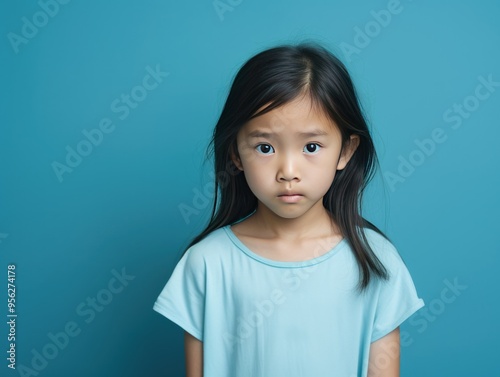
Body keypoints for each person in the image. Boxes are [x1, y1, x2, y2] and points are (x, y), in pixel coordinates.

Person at [153, 41, 425, 377]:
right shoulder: (208, 263)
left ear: (345, 151)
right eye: (265, 147)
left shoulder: (375, 260)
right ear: (236, 153)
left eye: (311, 146)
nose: (288, 171)